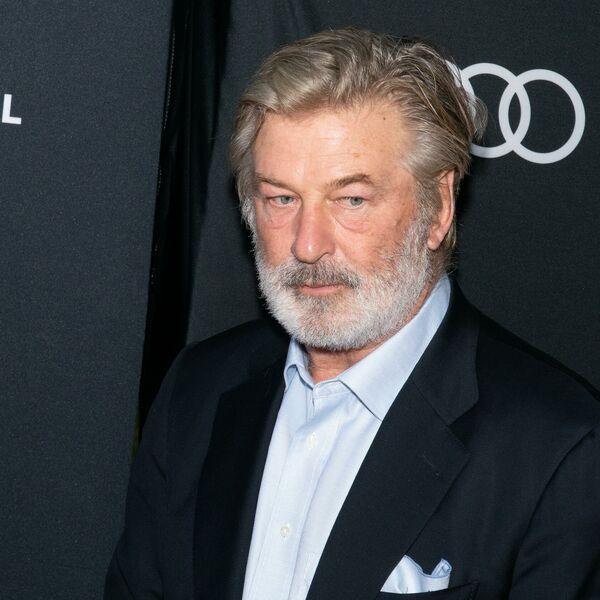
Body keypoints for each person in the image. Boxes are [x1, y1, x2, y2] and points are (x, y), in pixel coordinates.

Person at [105, 29, 600, 599]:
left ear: (438, 208)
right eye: (282, 198)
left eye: (352, 200)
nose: (308, 244)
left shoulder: (559, 447)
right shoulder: (197, 390)